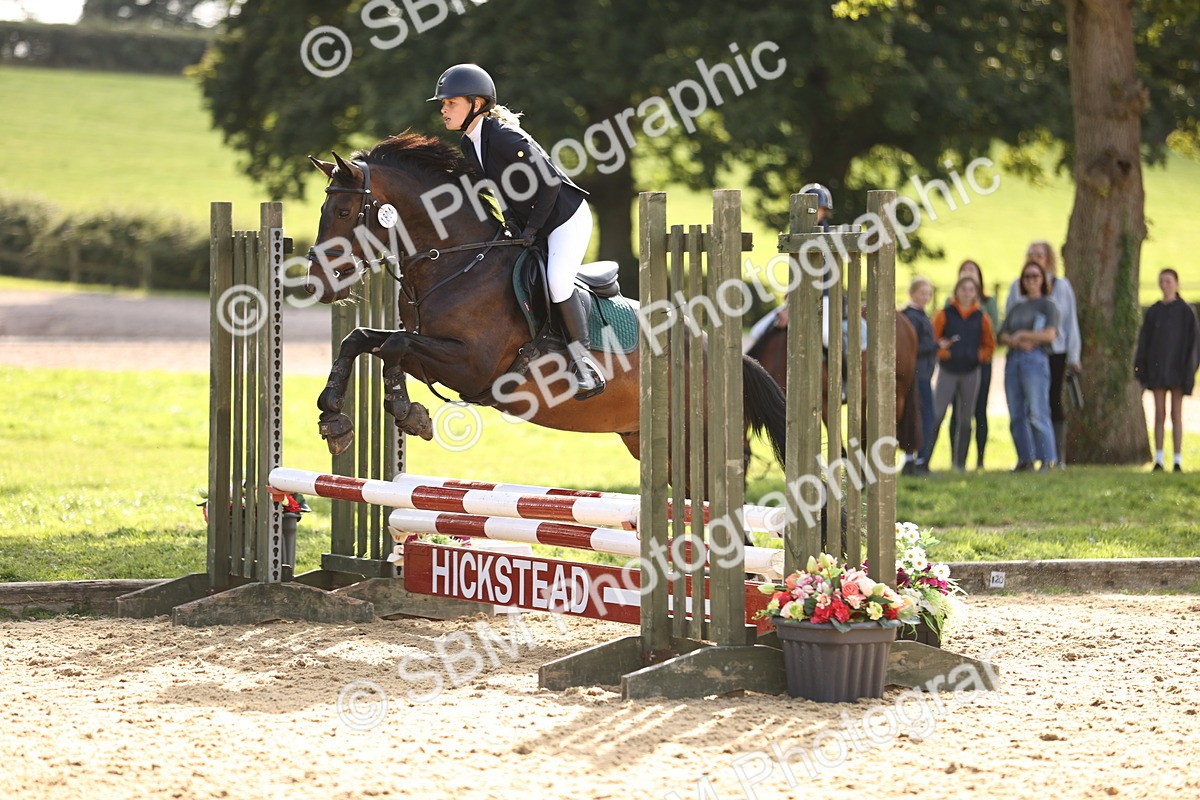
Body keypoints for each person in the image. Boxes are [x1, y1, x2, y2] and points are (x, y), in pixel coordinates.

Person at [431, 63, 605, 399]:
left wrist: (533, 228)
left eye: (451, 103)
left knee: (556, 281)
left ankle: (586, 366)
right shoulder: (472, 143)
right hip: (534, 221)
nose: (444, 109)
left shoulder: (504, 137)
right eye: (444, 103)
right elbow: (501, 190)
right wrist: (511, 224)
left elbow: (551, 183)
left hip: (566, 219)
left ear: (476, 104)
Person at [1005, 241, 1080, 467]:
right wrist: (1017, 340)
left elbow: (1068, 324)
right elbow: (1007, 326)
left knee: (1050, 404)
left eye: (1040, 254)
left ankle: (1055, 457)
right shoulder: (1016, 292)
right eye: (1031, 254)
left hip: (1055, 352)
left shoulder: (1061, 287)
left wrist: (1074, 356)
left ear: (1049, 258)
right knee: (1022, 409)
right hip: (1020, 356)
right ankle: (1027, 457)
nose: (1036, 257)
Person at [1134, 268, 1200, 472]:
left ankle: (1178, 459)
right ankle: (1160, 459)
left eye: (1168, 281)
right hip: (1157, 369)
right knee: (1159, 414)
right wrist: (1141, 366)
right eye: (1162, 281)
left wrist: (1190, 369)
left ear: (1176, 283)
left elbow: (1193, 343)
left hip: (1178, 370)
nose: (1165, 285)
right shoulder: (1154, 312)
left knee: (1176, 414)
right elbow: (1144, 341)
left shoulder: (1186, 312)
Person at [928, 276, 995, 472]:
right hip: (948, 371)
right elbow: (934, 339)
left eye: (971, 290)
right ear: (956, 291)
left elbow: (990, 345)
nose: (967, 293)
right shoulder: (944, 314)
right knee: (937, 414)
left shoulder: (981, 317)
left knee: (966, 418)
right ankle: (923, 460)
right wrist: (945, 353)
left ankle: (960, 464)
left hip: (970, 372)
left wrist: (978, 356)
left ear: (976, 293)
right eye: (963, 289)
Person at [999, 262, 1059, 471]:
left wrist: (1023, 335)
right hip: (1013, 359)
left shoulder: (1048, 305)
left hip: (1035, 360)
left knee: (1037, 411)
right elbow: (1003, 334)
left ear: (1042, 279)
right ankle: (1025, 459)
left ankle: (1047, 459)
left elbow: (1050, 334)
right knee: (1016, 413)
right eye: (1027, 277)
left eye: (1035, 276)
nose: (1031, 280)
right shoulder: (1017, 306)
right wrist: (1015, 341)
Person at [949, 260, 1001, 468]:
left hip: (980, 364)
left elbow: (993, 332)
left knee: (979, 410)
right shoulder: (949, 304)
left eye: (972, 271)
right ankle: (957, 459)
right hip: (956, 365)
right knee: (957, 412)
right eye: (964, 271)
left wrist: (978, 353)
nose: (968, 274)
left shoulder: (988, 303)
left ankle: (980, 459)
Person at [900, 276, 938, 475]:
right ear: (912, 293)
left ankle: (913, 459)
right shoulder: (912, 317)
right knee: (925, 416)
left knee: (918, 415)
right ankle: (919, 460)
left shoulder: (918, 315)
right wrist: (937, 345)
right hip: (918, 374)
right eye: (923, 293)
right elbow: (912, 347)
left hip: (921, 373)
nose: (926, 297)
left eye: (929, 294)